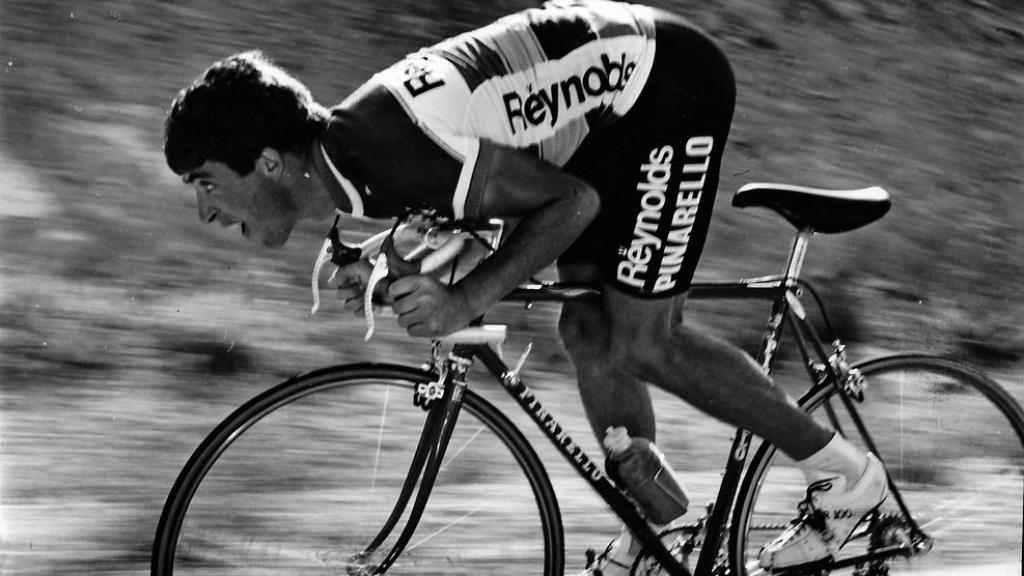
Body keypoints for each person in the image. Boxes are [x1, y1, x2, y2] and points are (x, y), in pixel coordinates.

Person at [163, 1, 888, 573]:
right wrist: (389, 266)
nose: (202, 210)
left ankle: (849, 480)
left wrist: (464, 299)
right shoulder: (351, 165)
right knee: (584, 329)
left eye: (205, 183)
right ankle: (660, 534)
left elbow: (570, 205)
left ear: (264, 162)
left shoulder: (381, 149)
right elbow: (462, 212)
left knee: (642, 340)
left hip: (667, 88)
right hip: (605, 122)